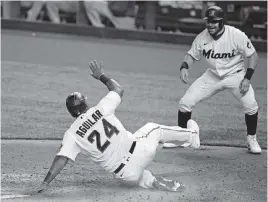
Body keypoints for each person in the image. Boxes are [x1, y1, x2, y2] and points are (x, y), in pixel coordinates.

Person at [33, 60, 200, 194]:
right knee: (154, 128)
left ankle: (151, 181)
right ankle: (192, 137)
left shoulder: (72, 134)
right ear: (85, 103)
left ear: (71, 113)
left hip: (127, 175)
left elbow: (61, 159)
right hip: (142, 152)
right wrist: (101, 76)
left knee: (135, 174)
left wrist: (45, 182)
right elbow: (118, 89)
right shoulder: (100, 109)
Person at [164, 6, 261, 154]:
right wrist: (184, 67)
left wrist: (247, 78)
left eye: (214, 21)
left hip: (236, 75)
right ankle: (182, 137)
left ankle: (251, 139)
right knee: (185, 103)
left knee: (251, 105)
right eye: (209, 21)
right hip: (213, 76)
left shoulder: (236, 35)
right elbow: (191, 56)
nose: (210, 24)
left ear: (222, 22)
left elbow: (253, 56)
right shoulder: (202, 37)